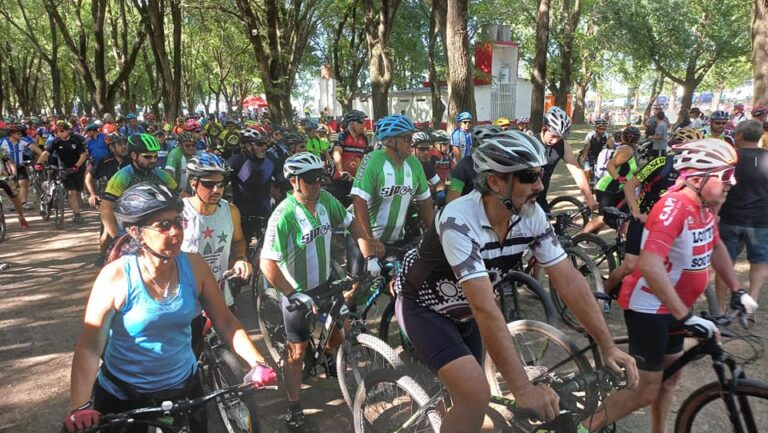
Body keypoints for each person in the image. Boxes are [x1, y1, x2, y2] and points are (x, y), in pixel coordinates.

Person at [395, 130, 638, 433]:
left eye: (539, 174)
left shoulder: (531, 214)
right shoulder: (458, 219)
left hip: (464, 309)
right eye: (527, 176)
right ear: (495, 182)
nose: (540, 185)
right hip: (425, 306)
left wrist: (607, 345)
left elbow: (569, 279)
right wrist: (522, 389)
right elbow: (484, 306)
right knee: (476, 395)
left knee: (475, 404)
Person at [62, 182, 276, 433]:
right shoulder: (116, 277)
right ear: (135, 232)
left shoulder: (194, 266)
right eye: (163, 225)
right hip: (124, 397)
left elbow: (224, 320)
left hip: (185, 390)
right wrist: (79, 406)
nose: (176, 232)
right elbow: (89, 347)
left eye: (178, 221)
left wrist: (256, 361)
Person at [585, 138, 757, 433]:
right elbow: (649, 265)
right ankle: (583, 427)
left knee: (670, 379)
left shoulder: (705, 206)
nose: (733, 182)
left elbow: (715, 246)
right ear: (698, 179)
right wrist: (686, 316)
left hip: (675, 307)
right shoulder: (674, 207)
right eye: (725, 175)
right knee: (644, 391)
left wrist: (738, 290)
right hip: (649, 306)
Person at [259, 152, 381, 432]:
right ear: (294, 182)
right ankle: (293, 407)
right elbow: (267, 263)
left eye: (320, 178)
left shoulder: (325, 200)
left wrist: (369, 255)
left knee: (344, 328)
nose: (317, 184)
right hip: (296, 292)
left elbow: (352, 224)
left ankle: (338, 365)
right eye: (311, 180)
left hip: (325, 282)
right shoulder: (284, 215)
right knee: (297, 352)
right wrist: (293, 293)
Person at [602, 128, 704, 303]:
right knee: (629, 266)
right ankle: (601, 299)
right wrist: (635, 211)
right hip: (644, 219)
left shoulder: (698, 172)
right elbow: (630, 186)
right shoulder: (661, 163)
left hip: (670, 226)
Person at [349, 114, 434, 280]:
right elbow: (359, 201)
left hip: (396, 241)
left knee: (402, 288)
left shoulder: (414, 163)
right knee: (354, 290)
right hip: (365, 237)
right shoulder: (372, 160)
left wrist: (433, 236)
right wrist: (369, 240)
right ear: (390, 141)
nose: (412, 141)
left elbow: (425, 202)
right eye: (407, 138)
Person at [181, 153, 250, 309]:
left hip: (220, 295)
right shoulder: (179, 213)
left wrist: (240, 258)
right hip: (187, 300)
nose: (216, 189)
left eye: (221, 184)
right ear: (193, 183)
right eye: (208, 184)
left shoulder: (231, 211)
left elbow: (238, 240)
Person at [715, 120, 768, 310]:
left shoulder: (728, 159)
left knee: (725, 263)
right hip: (761, 220)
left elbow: (718, 188)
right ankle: (750, 303)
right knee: (760, 264)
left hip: (730, 218)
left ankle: (720, 308)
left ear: (739, 135)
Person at [101, 133, 178, 251]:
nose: (153, 160)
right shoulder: (123, 176)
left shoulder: (162, 175)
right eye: (147, 157)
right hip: (126, 228)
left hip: (154, 229)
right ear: (133, 155)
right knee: (106, 238)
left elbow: (180, 195)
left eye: (155, 156)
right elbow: (105, 208)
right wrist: (117, 238)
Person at [536, 106, 598, 213]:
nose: (555, 140)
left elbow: (577, 172)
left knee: (551, 228)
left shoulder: (563, 146)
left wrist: (589, 198)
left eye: (559, 137)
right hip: (522, 198)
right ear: (544, 129)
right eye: (553, 136)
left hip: (540, 196)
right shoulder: (531, 143)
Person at [227, 127, 281, 246]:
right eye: (260, 144)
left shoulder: (271, 159)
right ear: (247, 145)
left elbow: (283, 182)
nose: (265, 147)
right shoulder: (235, 162)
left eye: (266, 144)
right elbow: (221, 185)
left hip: (265, 213)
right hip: (242, 216)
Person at [584, 126, 640, 233]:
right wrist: (618, 178)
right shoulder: (627, 150)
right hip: (608, 188)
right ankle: (581, 236)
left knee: (624, 219)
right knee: (604, 219)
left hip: (620, 189)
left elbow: (630, 170)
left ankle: (623, 245)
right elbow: (610, 165)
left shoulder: (629, 149)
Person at [34, 120, 88, 224]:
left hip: (77, 168)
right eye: (57, 131)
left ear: (68, 131)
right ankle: (76, 214)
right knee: (72, 192)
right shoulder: (56, 141)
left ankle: (76, 210)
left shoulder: (76, 141)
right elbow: (46, 153)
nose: (60, 133)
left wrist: (76, 166)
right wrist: (39, 163)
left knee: (78, 191)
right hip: (64, 168)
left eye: (62, 131)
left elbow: (83, 155)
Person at [329, 110, 368, 207]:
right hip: (340, 180)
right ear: (351, 124)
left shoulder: (364, 139)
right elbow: (337, 153)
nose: (364, 125)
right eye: (361, 122)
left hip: (356, 181)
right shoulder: (343, 136)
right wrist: (341, 171)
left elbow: (366, 158)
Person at [0, 124, 33, 210]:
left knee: (23, 184)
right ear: (11, 134)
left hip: (20, 165)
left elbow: (34, 147)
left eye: (20, 133)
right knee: (12, 186)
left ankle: (24, 202)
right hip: (7, 167)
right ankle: (15, 203)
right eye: (18, 133)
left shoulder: (23, 140)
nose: (20, 135)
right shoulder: (2, 142)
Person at [412, 131, 446, 206]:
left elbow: (438, 183)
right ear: (412, 149)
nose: (426, 152)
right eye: (422, 149)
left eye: (428, 149)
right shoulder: (405, 164)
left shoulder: (425, 164)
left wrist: (440, 193)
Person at [578, 119, 613, 184]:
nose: (602, 130)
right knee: (587, 170)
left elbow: (611, 147)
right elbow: (586, 146)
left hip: (600, 155)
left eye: (604, 129)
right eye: (600, 128)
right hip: (589, 153)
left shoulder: (607, 136)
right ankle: (585, 184)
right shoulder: (590, 135)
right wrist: (585, 155)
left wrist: (610, 147)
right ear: (596, 128)